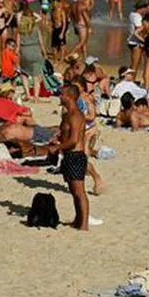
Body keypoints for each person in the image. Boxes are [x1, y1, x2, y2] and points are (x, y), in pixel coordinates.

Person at [53, 83, 89, 230]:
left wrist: (57, 147)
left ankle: (84, 224)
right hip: (69, 156)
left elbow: (74, 140)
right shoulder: (67, 115)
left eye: (62, 94)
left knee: (79, 192)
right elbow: (66, 135)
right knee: (74, 192)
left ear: (69, 96)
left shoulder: (75, 116)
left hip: (76, 156)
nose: (60, 96)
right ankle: (77, 220)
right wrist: (58, 139)